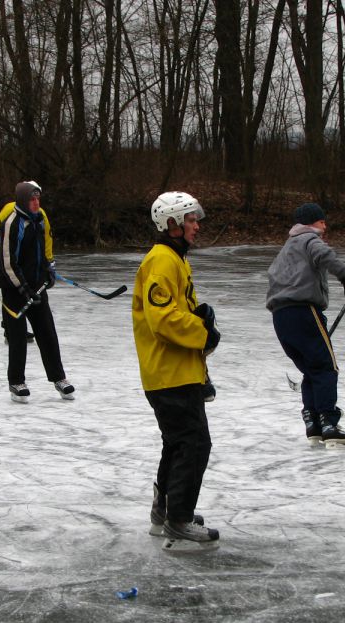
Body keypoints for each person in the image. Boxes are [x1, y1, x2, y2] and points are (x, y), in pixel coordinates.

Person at [133, 191, 220, 552]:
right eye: (190, 220)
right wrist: (203, 333)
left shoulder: (175, 259)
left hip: (177, 371)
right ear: (171, 224)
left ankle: (165, 511)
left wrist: (200, 318)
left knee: (178, 443)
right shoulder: (163, 261)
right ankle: (179, 521)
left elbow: (179, 308)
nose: (196, 226)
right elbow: (162, 318)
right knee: (195, 443)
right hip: (170, 373)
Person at [265, 202, 345, 447]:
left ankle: (313, 424)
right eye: (322, 221)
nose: (325, 226)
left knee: (312, 370)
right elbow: (326, 255)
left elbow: (273, 276)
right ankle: (329, 423)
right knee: (326, 368)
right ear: (311, 223)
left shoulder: (286, 249)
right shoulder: (310, 240)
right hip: (304, 311)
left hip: (281, 317)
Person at [0, 180, 74, 403]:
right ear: (22, 201)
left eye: (38, 198)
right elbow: (7, 262)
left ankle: (59, 378)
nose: (36, 202)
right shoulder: (13, 223)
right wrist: (23, 287)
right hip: (14, 290)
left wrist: (48, 269)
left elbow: (43, 250)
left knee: (47, 332)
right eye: (32, 199)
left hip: (36, 287)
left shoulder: (38, 220)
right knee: (17, 338)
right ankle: (16, 382)